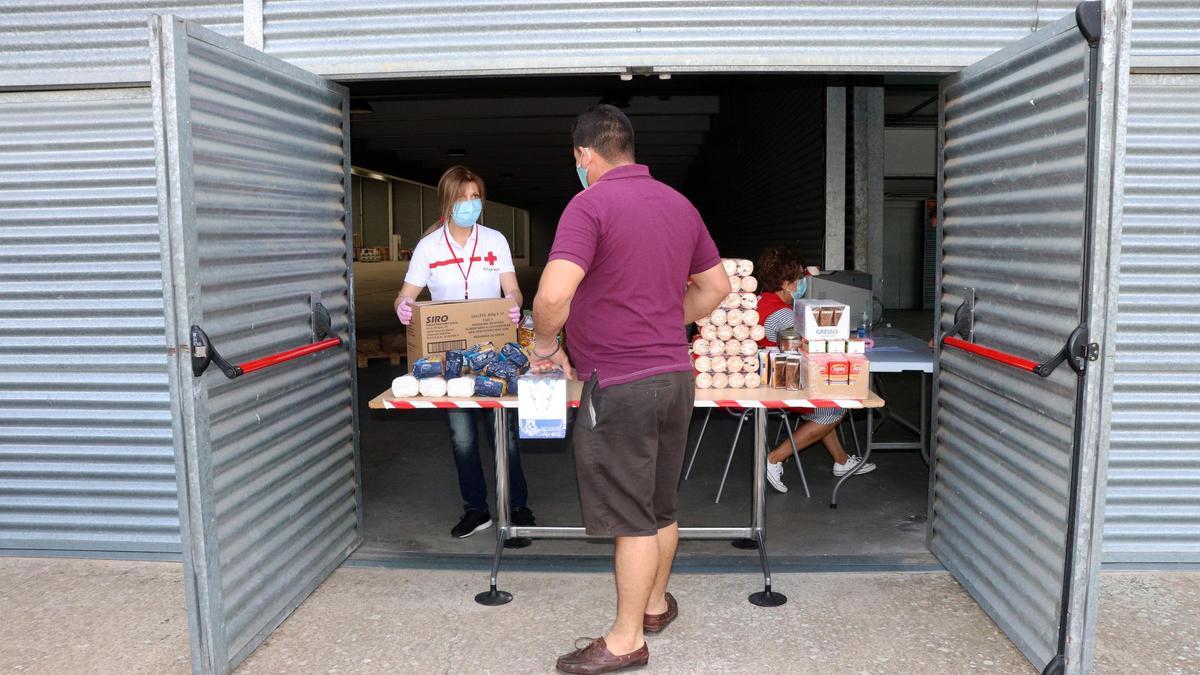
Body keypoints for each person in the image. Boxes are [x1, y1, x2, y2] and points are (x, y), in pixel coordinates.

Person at [530, 105, 730, 674]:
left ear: (584, 155)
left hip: (620, 384)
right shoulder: (678, 203)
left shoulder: (588, 204)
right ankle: (656, 605)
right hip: (674, 378)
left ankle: (625, 641)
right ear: (630, 149)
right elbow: (715, 288)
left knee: (631, 518)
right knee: (660, 505)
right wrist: (669, 321)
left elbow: (550, 298)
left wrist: (545, 346)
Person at [394, 165, 536, 541]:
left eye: (476, 198)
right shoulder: (429, 247)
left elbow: (514, 290)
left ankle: (515, 508)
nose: (470, 205)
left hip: (494, 354)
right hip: (451, 360)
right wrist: (403, 307)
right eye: (463, 198)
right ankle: (477, 510)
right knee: (463, 438)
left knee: (504, 434)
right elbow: (405, 294)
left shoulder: (495, 241)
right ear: (447, 201)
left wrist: (513, 302)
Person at [754, 246, 876, 493]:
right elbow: (812, 346)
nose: (803, 282)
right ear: (787, 283)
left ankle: (841, 461)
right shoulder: (781, 316)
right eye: (799, 279)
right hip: (778, 381)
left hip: (771, 374)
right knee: (835, 406)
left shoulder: (765, 301)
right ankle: (775, 458)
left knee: (827, 400)